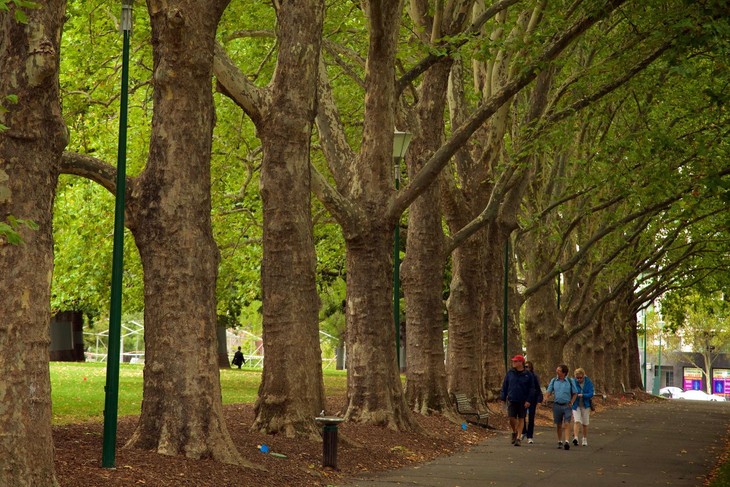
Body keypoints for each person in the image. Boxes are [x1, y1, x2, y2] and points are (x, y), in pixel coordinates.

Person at [499, 354, 535, 447]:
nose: (513, 363)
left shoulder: (528, 375)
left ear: (521, 362)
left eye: (515, 361)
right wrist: (503, 398)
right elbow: (505, 385)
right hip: (512, 399)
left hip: (523, 400)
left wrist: (528, 400)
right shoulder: (510, 373)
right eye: (513, 361)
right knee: (511, 418)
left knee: (521, 418)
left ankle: (519, 438)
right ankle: (514, 431)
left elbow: (532, 389)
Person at [543, 363, 577, 450]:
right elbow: (549, 391)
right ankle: (559, 440)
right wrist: (546, 397)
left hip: (567, 405)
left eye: (559, 370)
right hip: (557, 405)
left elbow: (575, 393)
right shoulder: (554, 380)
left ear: (564, 372)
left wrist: (572, 402)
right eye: (557, 370)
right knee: (558, 424)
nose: (556, 371)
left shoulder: (570, 381)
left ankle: (566, 441)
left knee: (567, 423)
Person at [571, 367, 594, 446]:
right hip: (576, 404)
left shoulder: (588, 382)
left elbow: (591, 393)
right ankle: (576, 438)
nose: (579, 379)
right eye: (577, 378)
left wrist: (583, 395)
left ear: (583, 376)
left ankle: (584, 438)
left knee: (584, 423)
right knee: (577, 421)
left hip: (585, 405)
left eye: (580, 378)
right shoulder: (573, 382)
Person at [523, 361, 544, 444]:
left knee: (531, 418)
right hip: (523, 399)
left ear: (531, 368)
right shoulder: (522, 376)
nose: (526, 368)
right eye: (525, 366)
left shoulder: (534, 376)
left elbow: (538, 389)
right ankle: (523, 431)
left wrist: (539, 399)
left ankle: (530, 436)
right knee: (522, 417)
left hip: (532, 399)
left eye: (528, 367)